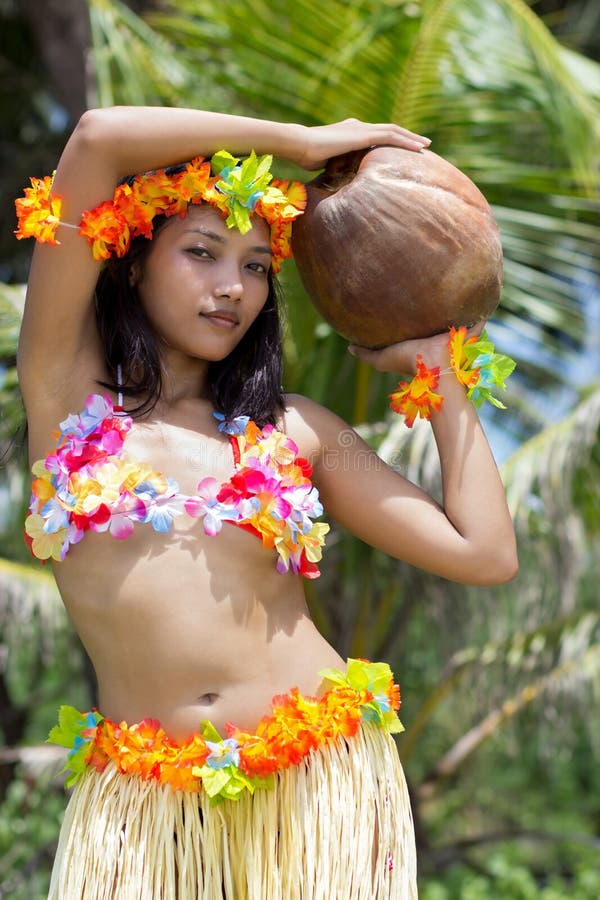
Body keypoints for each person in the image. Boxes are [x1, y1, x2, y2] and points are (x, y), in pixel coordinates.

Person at [15, 106, 518, 900]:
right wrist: (305, 147)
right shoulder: (63, 396)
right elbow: (98, 138)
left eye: (255, 266)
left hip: (320, 790)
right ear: (136, 261)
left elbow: (484, 553)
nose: (231, 288)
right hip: (149, 818)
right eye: (203, 253)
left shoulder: (302, 431)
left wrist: (444, 381)